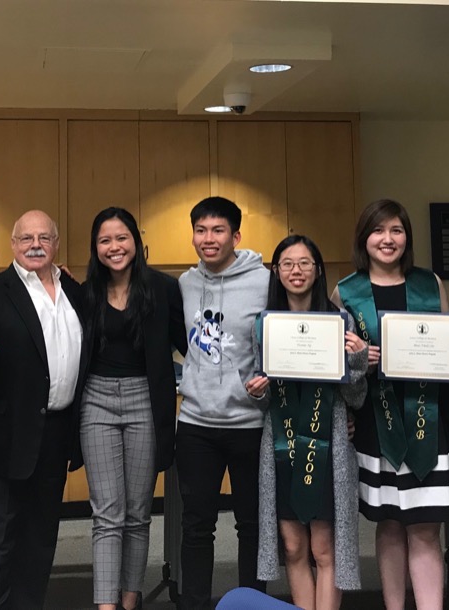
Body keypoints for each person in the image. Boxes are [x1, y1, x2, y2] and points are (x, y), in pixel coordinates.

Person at [334, 199, 449, 610]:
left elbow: (446, 343)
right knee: (390, 523)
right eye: (378, 231)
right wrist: (359, 358)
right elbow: (335, 365)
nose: (387, 239)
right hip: (377, 421)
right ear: (364, 238)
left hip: (429, 418)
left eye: (396, 230)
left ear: (406, 237)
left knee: (426, 525)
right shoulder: (346, 290)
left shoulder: (429, 283)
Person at [0, 210, 86, 610]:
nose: (35, 245)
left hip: (56, 434)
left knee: (39, 537)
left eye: (44, 238)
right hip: (4, 438)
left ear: (56, 243)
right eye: (26, 238)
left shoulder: (75, 292)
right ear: (12, 244)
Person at [79, 207, 186, 610]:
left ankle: (129, 599)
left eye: (121, 238)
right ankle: (106, 605)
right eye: (105, 240)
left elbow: (190, 344)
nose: (114, 247)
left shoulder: (162, 288)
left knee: (138, 512)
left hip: (146, 399)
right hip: (97, 400)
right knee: (108, 512)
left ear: (136, 242)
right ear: (96, 247)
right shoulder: (85, 292)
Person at [253, 235, 368, 610]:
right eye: (287, 263)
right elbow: (262, 398)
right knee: (292, 546)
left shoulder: (340, 320)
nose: (296, 271)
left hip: (326, 448)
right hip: (281, 449)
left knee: (323, 547)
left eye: (305, 263)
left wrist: (357, 363)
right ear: (276, 271)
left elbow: (355, 398)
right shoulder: (263, 325)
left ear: (318, 271)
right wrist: (256, 391)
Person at [176, 196, 270, 609]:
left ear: (236, 236)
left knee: (252, 526)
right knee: (196, 526)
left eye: (217, 231)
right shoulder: (184, 284)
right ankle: (194, 603)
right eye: (200, 230)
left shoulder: (265, 281)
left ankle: (251, 603)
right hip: (196, 423)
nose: (208, 239)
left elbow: (283, 343)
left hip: (249, 423)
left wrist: (268, 380)